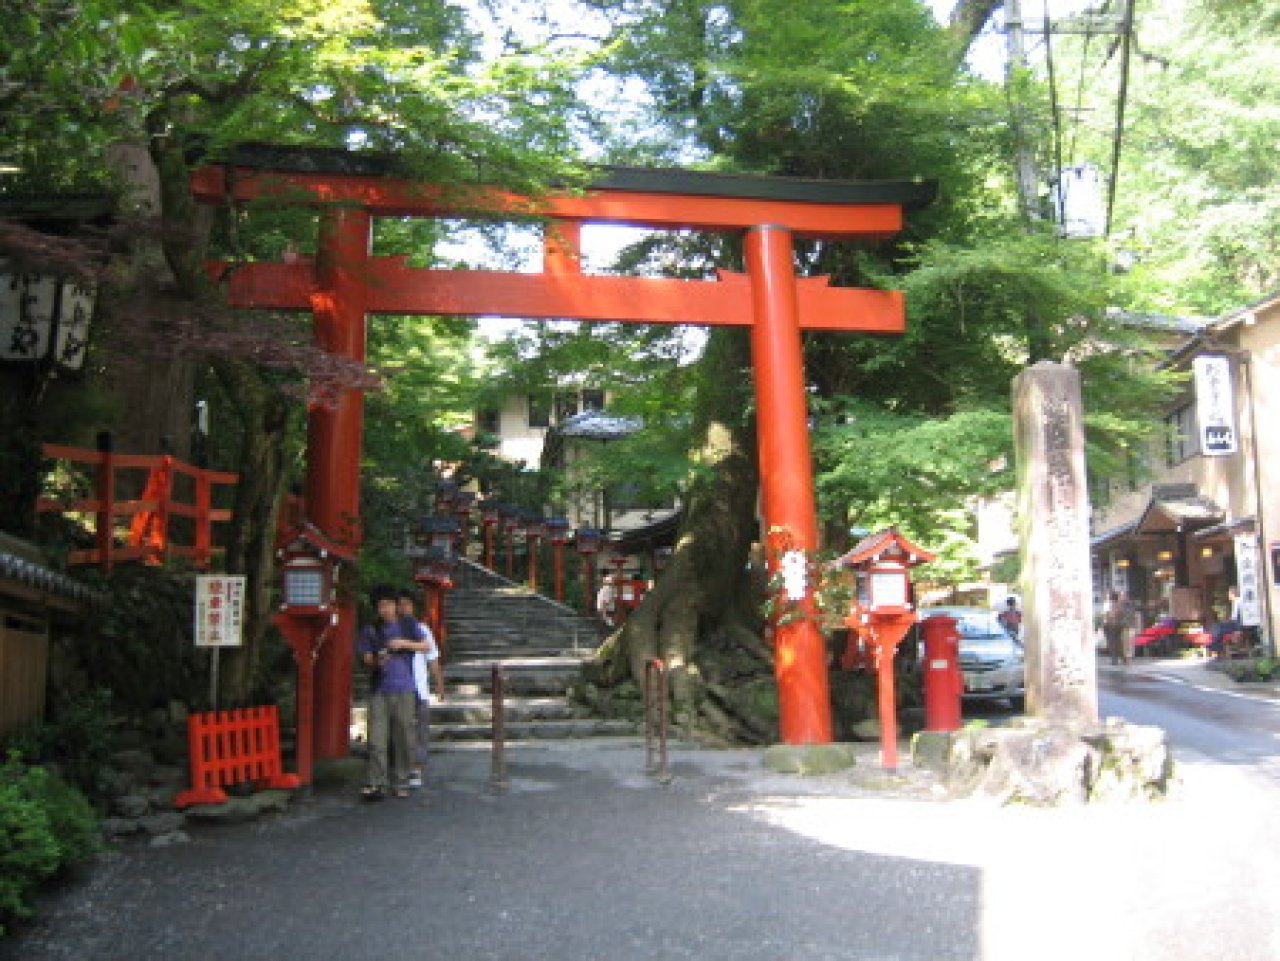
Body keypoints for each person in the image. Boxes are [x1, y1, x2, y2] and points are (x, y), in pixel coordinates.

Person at [357, 585, 431, 800]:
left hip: (405, 687)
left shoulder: (408, 624)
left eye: (389, 604)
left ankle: (401, 780)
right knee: (377, 739)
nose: (385, 609)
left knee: (404, 736)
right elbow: (366, 659)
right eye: (381, 606)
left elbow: (426, 646)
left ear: (396, 606)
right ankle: (376, 782)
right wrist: (377, 661)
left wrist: (403, 643)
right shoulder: (371, 629)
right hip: (380, 688)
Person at [397, 588, 446, 789]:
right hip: (399, 687)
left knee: (420, 729)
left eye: (407, 604)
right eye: (400, 604)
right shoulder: (391, 629)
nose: (403, 608)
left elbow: (432, 659)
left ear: (414, 607)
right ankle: (402, 767)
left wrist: (439, 685)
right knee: (402, 728)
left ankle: (416, 767)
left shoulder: (423, 630)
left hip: (419, 687)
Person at [1210, 586, 1243, 654]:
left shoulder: (1238, 602)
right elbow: (1234, 617)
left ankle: (1216, 647)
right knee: (1216, 626)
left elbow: (1239, 617)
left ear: (1233, 594)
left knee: (1218, 628)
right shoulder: (1235, 602)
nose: (1228, 596)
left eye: (1229, 594)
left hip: (1235, 626)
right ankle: (1216, 646)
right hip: (1234, 624)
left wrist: (1238, 630)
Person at [1102, 590, 1130, 665]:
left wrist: (1108, 617)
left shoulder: (1112, 605)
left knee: (1112, 643)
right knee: (1117, 642)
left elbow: (1110, 615)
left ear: (1110, 598)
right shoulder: (1119, 604)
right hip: (1118, 625)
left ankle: (1115, 659)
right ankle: (1123, 658)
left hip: (1112, 625)